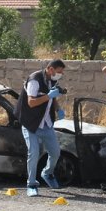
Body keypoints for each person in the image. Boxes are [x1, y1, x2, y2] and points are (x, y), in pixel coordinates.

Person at [14, 59, 66, 197]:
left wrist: (58, 109)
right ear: (50, 69)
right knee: (34, 152)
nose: (60, 74)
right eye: (59, 72)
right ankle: (31, 184)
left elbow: (53, 98)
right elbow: (31, 102)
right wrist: (48, 96)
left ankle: (47, 174)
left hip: (46, 123)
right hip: (30, 123)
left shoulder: (52, 80)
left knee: (55, 152)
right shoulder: (34, 80)